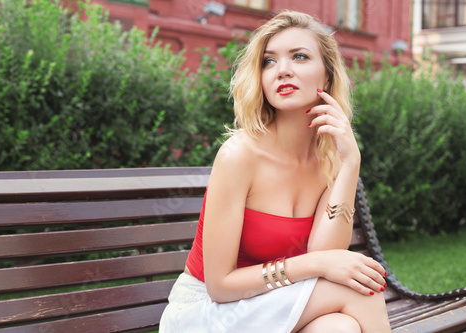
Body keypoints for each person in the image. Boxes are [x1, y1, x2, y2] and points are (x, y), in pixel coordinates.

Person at [160, 10, 391, 333]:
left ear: (326, 76)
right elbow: (220, 285)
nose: (283, 70)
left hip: (275, 301)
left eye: (299, 57)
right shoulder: (239, 155)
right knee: (360, 291)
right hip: (209, 312)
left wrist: (350, 164)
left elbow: (326, 256)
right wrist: (311, 264)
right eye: (269, 61)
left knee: (339, 328)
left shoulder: (331, 160)